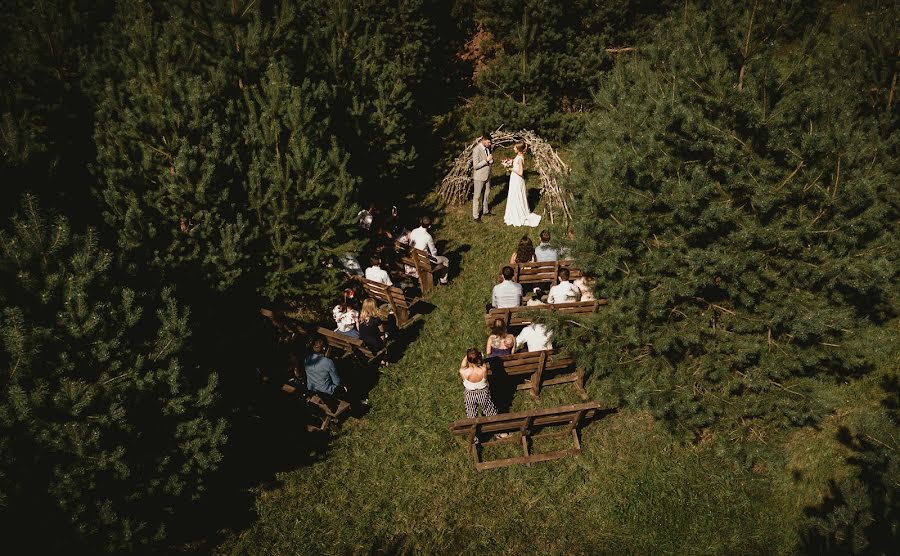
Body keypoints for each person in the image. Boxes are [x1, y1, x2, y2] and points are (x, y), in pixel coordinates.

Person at [459, 348, 504, 425]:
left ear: (468, 360)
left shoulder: (463, 371)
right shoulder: (483, 369)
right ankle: (497, 430)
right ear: (478, 359)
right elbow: (482, 363)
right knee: (490, 411)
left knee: (471, 414)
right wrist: (479, 357)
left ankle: (474, 435)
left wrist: (467, 356)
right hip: (483, 393)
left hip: (469, 394)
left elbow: (463, 365)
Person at [503, 142, 541, 227]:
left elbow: (520, 172)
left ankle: (518, 214)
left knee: (517, 195)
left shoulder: (520, 158)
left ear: (519, 150)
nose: (513, 149)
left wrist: (511, 169)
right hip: (515, 179)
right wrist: (510, 162)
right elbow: (516, 164)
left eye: (515, 148)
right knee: (514, 195)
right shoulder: (519, 156)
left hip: (517, 179)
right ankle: (514, 211)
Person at [409, 216, 450, 285]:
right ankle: (443, 281)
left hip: (413, 258)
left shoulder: (414, 231)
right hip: (424, 261)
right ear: (429, 226)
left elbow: (411, 245)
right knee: (446, 260)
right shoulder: (428, 237)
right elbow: (433, 252)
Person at [357, 298, 388, 364]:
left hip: (366, 345)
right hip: (375, 345)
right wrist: (384, 344)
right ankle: (383, 359)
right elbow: (382, 332)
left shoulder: (361, 320)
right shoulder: (376, 320)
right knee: (384, 336)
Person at [471, 133, 494, 222]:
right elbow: (475, 166)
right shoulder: (476, 150)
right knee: (477, 196)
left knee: (486, 194)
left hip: (488, 175)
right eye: (488, 142)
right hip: (479, 177)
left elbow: (489, 159)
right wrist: (486, 161)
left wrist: (491, 161)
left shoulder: (488, 148)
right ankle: (476, 216)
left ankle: (485, 211)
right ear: (484, 140)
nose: (490, 144)